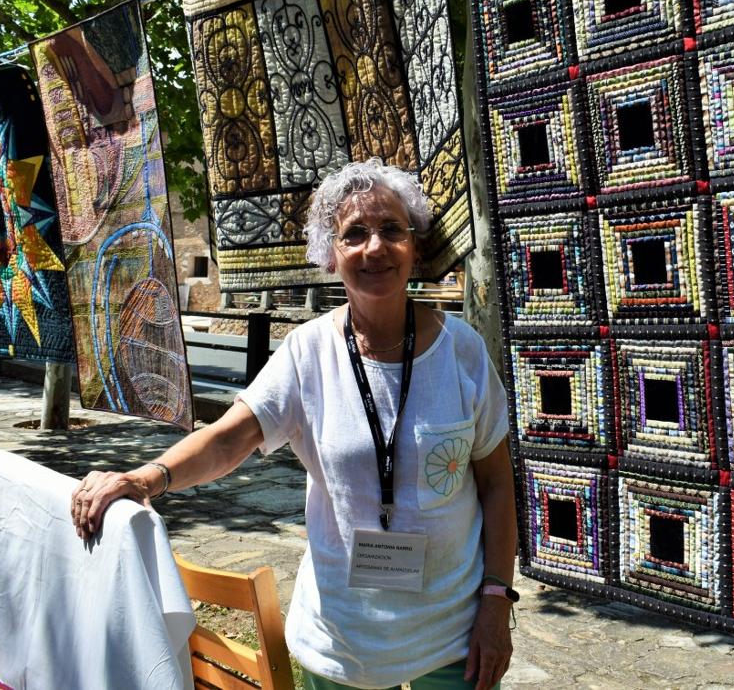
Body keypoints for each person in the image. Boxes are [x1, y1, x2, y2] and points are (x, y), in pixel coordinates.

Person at [72, 159, 517, 690]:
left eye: (391, 230)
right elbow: (229, 438)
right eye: (354, 234)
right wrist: (146, 478)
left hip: (452, 640)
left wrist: (496, 600)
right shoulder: (308, 352)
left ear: (415, 246)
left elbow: (495, 484)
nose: (374, 247)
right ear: (331, 255)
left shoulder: (461, 351)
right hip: (339, 642)